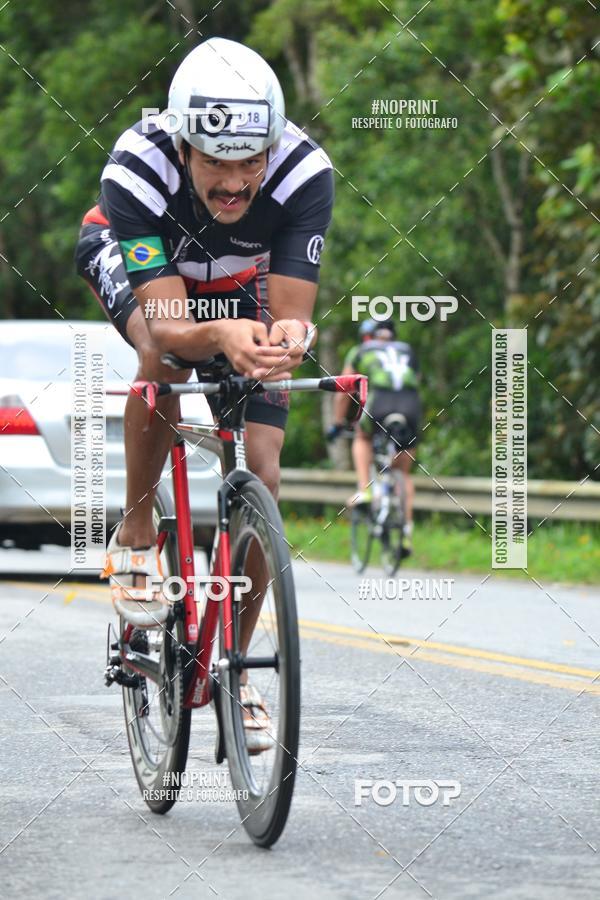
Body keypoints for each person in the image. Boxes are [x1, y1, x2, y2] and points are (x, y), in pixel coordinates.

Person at [75, 37, 334, 751]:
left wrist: (285, 339)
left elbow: (287, 308)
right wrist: (221, 337)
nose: (232, 181)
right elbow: (170, 325)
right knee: (166, 358)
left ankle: (238, 670)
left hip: (238, 279)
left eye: (250, 161)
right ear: (183, 143)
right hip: (151, 272)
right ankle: (134, 535)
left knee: (265, 468)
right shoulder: (138, 169)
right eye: (215, 160)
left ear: (272, 147)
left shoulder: (304, 173)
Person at [328, 319, 421, 554]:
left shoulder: (361, 350)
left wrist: (338, 423)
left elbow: (343, 389)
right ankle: (407, 533)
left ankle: (364, 489)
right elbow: (415, 380)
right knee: (402, 472)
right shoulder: (407, 349)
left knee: (362, 437)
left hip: (380, 401)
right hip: (410, 405)